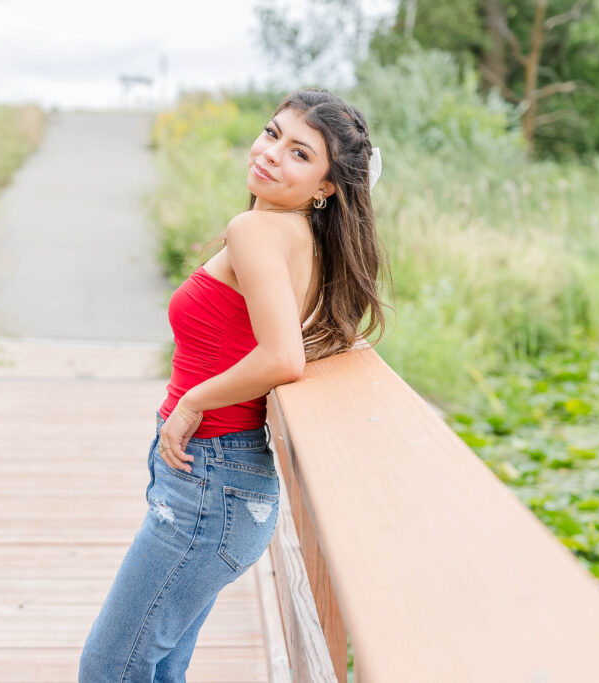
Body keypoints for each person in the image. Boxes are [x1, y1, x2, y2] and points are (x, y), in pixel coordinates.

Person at [78, 87, 390, 681]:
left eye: (301, 154)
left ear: (327, 187)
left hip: (209, 483)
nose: (272, 154)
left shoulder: (254, 229)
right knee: (158, 668)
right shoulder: (305, 241)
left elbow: (282, 356)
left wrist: (192, 401)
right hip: (223, 485)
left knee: (109, 667)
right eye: (273, 134)